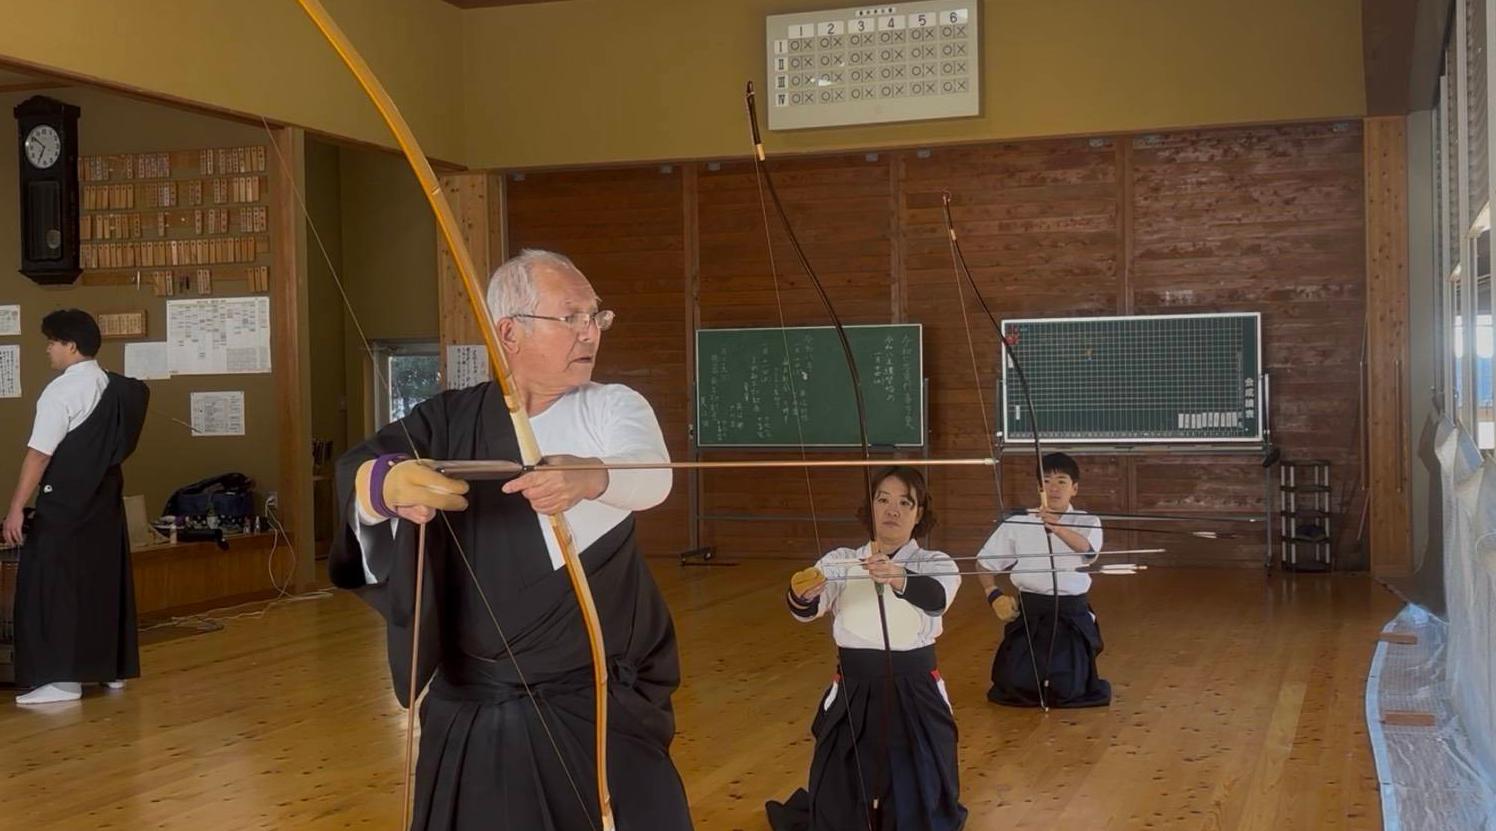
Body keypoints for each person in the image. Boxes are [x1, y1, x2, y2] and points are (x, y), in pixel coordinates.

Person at [328, 249, 692, 830]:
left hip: (590, 699)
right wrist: (387, 486)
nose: (589, 332)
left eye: (596, 317)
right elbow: (360, 471)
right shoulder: (446, 419)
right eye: (570, 316)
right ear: (509, 331)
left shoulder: (611, 405)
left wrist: (591, 476)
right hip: (474, 702)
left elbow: (653, 474)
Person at [766, 466, 967, 831]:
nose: (892, 510)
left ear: (918, 513)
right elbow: (807, 609)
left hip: (915, 689)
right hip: (853, 688)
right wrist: (800, 593)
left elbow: (937, 598)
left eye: (904, 502)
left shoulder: (936, 564)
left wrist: (896, 576)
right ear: (870, 507)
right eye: (883, 500)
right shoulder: (841, 561)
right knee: (840, 803)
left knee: (915, 800)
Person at [4, 309, 148, 706]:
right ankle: (111, 670)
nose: (48, 349)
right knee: (102, 580)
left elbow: (38, 455)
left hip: (65, 504)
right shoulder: (116, 387)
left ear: (70, 346)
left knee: (52, 585)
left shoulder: (62, 391)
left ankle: (62, 679)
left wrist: (16, 507)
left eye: (52, 342)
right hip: (103, 502)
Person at [976, 452, 1111, 708]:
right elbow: (983, 563)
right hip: (1031, 614)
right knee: (1017, 687)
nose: (1053, 487)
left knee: (1066, 689)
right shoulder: (1019, 522)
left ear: (1075, 488)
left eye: (1061, 481)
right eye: (1046, 481)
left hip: (1071, 616)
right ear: (1039, 488)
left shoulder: (1088, 521)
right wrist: (993, 594)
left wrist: (1057, 527)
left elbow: (1088, 552)